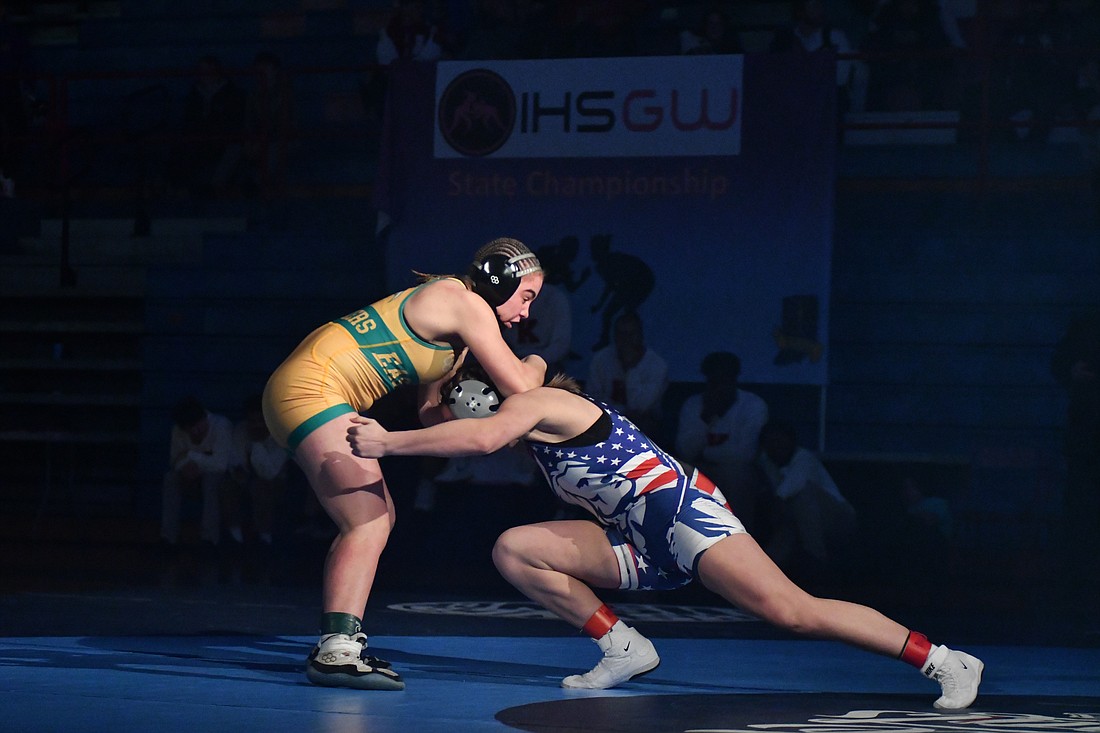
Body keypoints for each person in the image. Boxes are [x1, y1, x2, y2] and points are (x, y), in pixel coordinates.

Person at [346, 363, 985, 710]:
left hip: (687, 516)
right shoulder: (528, 424)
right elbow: (450, 419)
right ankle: (624, 647)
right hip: (634, 537)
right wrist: (432, 367)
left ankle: (942, 660)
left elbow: (477, 432)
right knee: (516, 548)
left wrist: (388, 442)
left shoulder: (546, 404)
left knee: (793, 613)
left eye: (477, 397)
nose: (475, 410)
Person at [262, 236, 546, 691]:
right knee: (367, 522)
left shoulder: (458, 332)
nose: (526, 313)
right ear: (500, 279)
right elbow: (524, 388)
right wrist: (537, 361)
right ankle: (336, 649)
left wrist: (471, 414)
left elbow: (431, 415)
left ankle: (339, 641)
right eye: (526, 296)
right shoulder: (463, 302)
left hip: (305, 391)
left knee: (378, 517)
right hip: (312, 390)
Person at [676, 351, 769, 535]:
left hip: (740, 471)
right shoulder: (694, 405)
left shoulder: (752, 406)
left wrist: (707, 453)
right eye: (714, 380)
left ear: (734, 379)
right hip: (701, 467)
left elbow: (744, 454)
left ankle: (741, 540)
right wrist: (706, 418)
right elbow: (685, 451)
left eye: (724, 379)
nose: (719, 386)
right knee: (681, 474)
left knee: (736, 475)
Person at [757, 419, 857, 579]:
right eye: (771, 443)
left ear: (791, 441)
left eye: (780, 441)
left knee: (802, 496)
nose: (776, 447)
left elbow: (786, 492)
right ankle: (761, 575)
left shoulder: (804, 458)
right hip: (795, 520)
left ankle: (817, 560)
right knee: (788, 527)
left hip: (838, 518)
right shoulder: (766, 462)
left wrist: (777, 506)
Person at [1050, 310, 1100, 618]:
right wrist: (1072, 371)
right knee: (1082, 525)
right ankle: (1080, 606)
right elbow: (1060, 364)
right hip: (1086, 445)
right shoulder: (1085, 324)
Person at [160, 396, 233, 549]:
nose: (194, 431)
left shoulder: (221, 426)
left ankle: (209, 538)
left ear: (205, 417)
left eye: (197, 426)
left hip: (218, 478)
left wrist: (190, 456)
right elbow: (175, 460)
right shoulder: (178, 431)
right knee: (170, 478)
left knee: (212, 480)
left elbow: (221, 464)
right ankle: (168, 537)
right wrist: (185, 465)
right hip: (191, 477)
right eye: (189, 429)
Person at [584, 311, 667, 437]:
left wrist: (630, 368)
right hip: (607, 417)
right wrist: (620, 412)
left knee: (645, 422)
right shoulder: (601, 359)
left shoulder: (657, 364)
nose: (625, 339)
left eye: (630, 334)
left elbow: (640, 406)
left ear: (640, 335)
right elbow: (592, 397)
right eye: (621, 334)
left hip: (645, 422)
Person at [224, 393, 290, 547]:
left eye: (261, 421)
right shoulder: (241, 431)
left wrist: (257, 444)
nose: (257, 425)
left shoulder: (280, 435)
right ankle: (236, 538)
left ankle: (264, 539)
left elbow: (269, 473)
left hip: (276, 483)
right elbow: (235, 462)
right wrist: (239, 473)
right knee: (226, 487)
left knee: (260, 486)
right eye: (252, 421)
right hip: (246, 479)